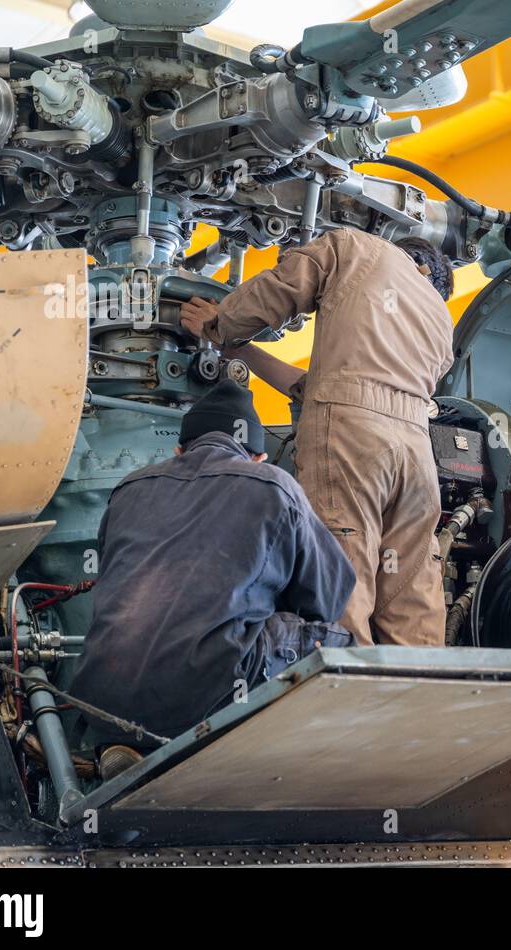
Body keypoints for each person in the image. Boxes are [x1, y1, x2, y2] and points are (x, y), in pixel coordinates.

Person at [178, 229, 454, 647]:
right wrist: (243, 353)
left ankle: (343, 693)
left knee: (343, 570)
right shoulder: (439, 316)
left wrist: (220, 324)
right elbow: (335, 386)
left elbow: (284, 285)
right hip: (417, 454)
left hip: (354, 440)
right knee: (413, 590)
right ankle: (419, 694)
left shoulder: (356, 247)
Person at [68, 380, 356, 742]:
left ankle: (123, 746)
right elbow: (327, 596)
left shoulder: (129, 488)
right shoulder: (275, 484)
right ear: (258, 456)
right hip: (201, 695)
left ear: (178, 449)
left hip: (100, 700)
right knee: (333, 641)